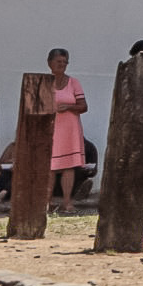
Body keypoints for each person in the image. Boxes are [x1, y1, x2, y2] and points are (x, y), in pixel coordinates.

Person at [41, 48, 91, 214]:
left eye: (64, 62)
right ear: (50, 63)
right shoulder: (44, 83)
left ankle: (67, 201)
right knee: (51, 166)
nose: (61, 65)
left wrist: (69, 107)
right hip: (52, 128)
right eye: (58, 62)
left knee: (69, 166)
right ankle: (46, 202)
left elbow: (83, 106)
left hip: (70, 128)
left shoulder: (73, 83)